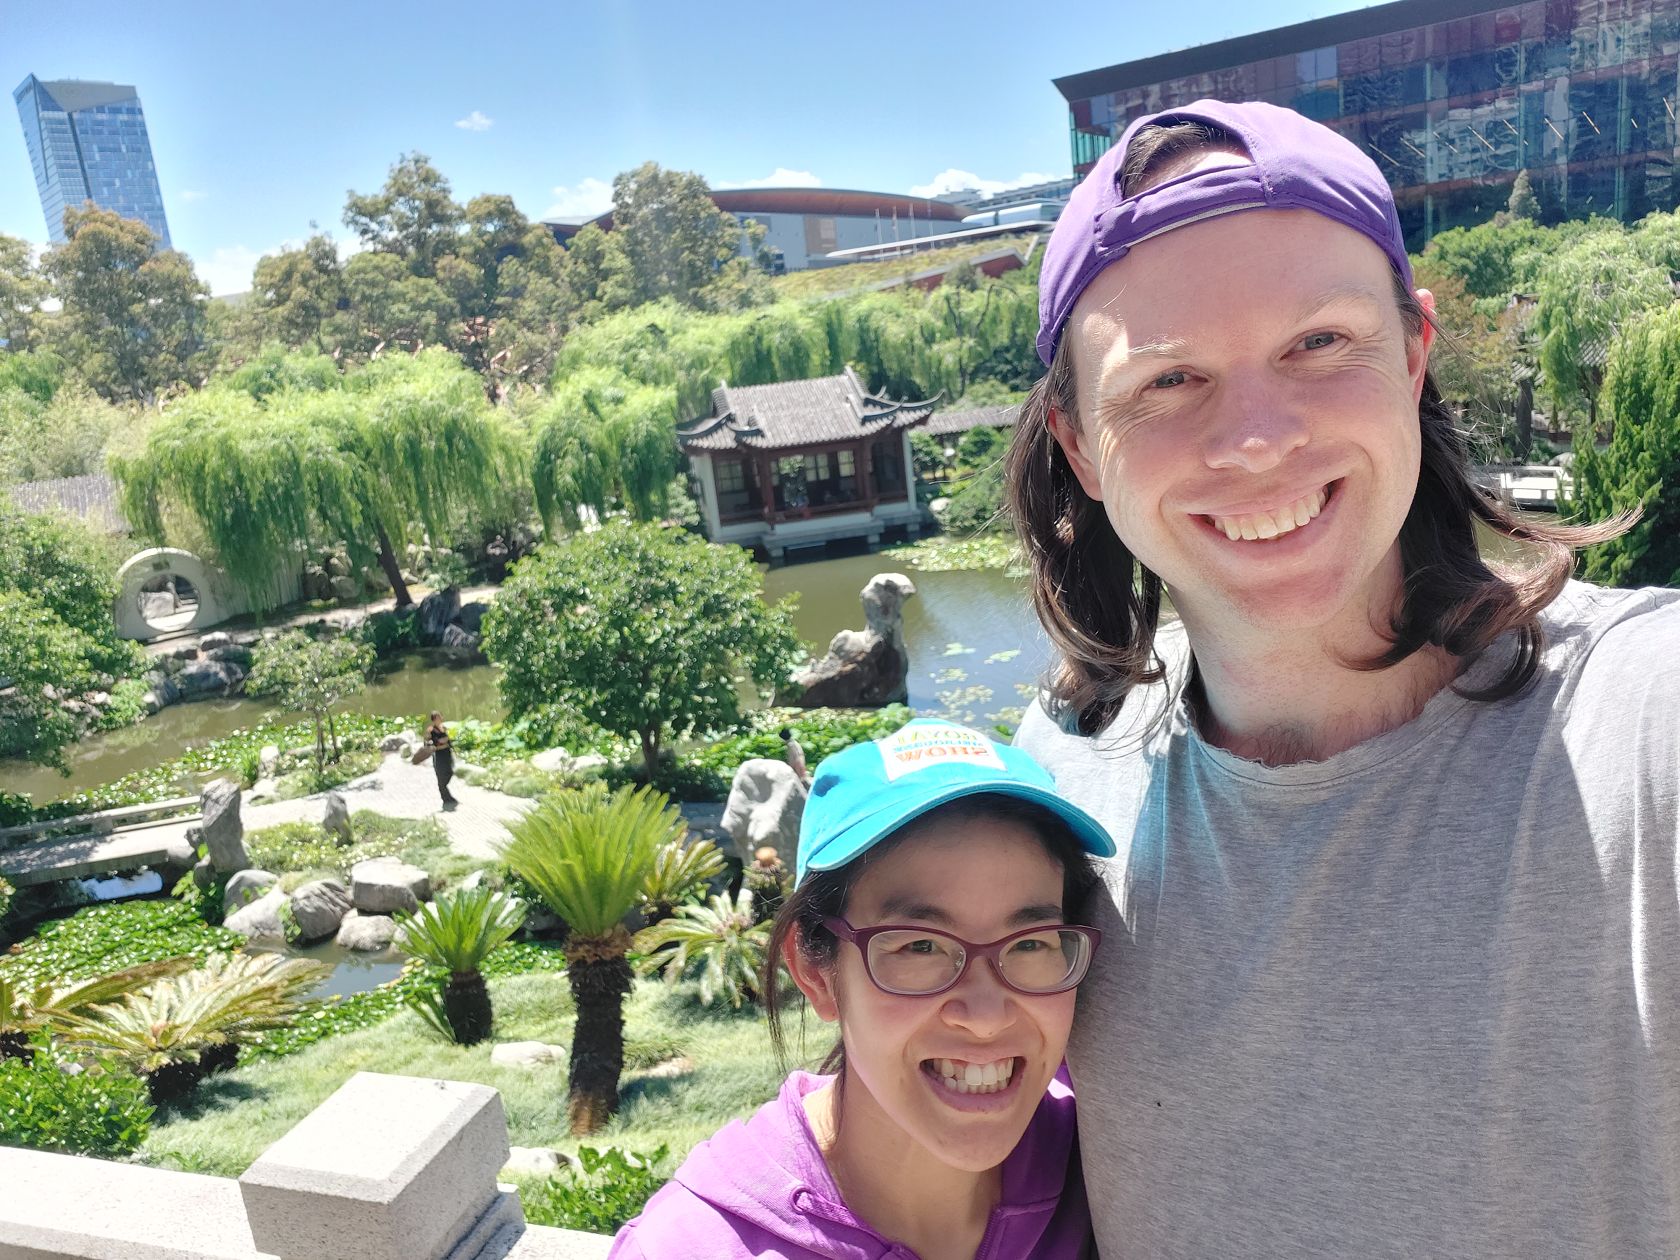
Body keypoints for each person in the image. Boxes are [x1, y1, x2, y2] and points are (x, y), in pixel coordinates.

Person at [1008, 97, 1679, 1256]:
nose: (1258, 438)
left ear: (1414, 354)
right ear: (1080, 446)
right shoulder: (1065, 770)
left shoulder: (1644, 719)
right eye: (1167, 381)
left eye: (1319, 343)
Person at [611, 719, 1114, 1259]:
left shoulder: (1104, 1166)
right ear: (814, 972)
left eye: (1030, 943)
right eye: (920, 946)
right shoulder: (687, 1247)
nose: (987, 1016)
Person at [424, 710, 457, 808]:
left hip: (447, 753)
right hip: (439, 755)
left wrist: (446, 741)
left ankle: (446, 794)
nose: (440, 719)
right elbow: (433, 743)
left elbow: (447, 740)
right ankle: (446, 798)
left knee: (449, 772)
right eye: (437, 718)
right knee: (441, 775)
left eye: (440, 717)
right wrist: (442, 742)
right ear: (434, 720)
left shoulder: (443, 728)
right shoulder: (431, 730)